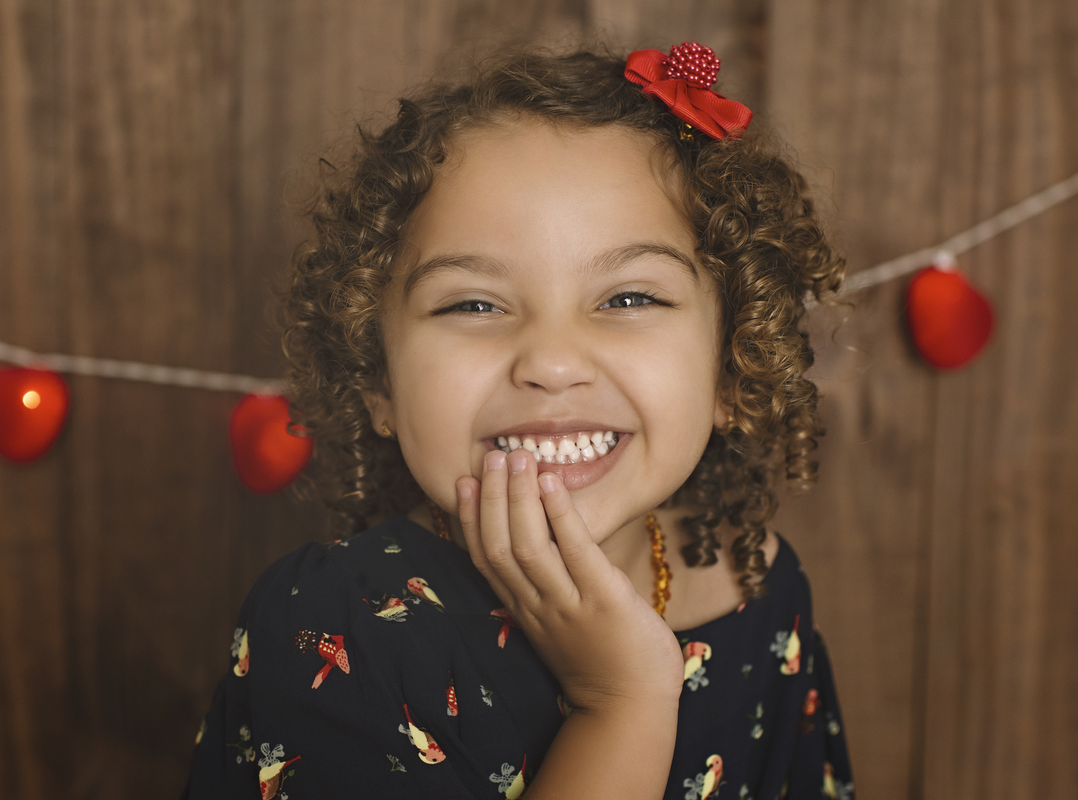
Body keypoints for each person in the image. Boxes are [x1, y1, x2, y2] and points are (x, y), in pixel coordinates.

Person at [183, 43, 853, 800]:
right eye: (473, 304)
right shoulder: (331, 629)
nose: (552, 361)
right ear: (378, 382)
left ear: (733, 366)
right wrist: (622, 705)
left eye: (630, 298)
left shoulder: (756, 588)